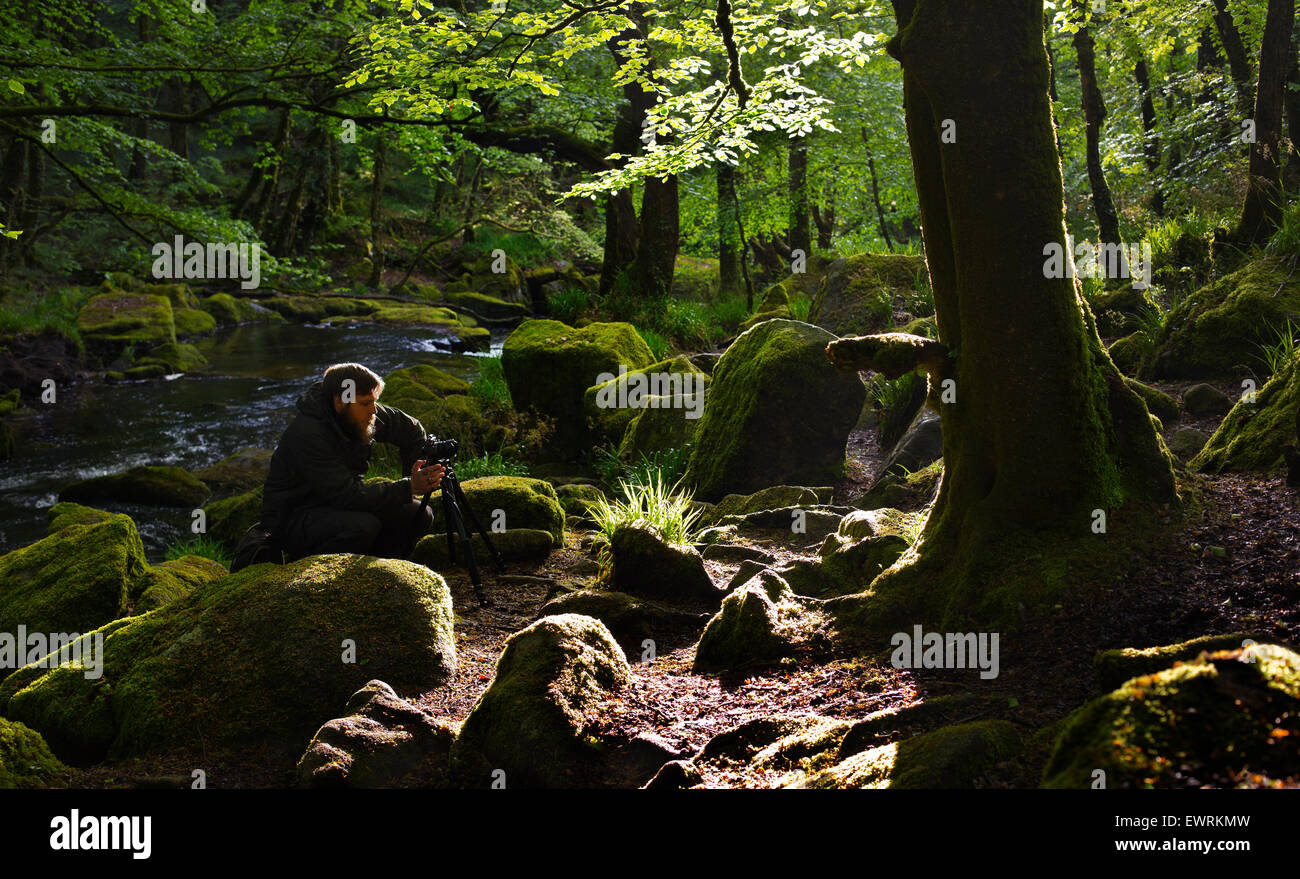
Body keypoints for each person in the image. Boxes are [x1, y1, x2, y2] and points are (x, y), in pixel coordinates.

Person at [260, 362, 445, 562]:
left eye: (374, 401)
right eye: (366, 403)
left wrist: (418, 473)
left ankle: (381, 566)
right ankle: (308, 570)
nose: (374, 411)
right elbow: (347, 496)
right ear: (340, 402)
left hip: (338, 504)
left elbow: (412, 430)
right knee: (364, 526)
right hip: (295, 517)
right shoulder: (308, 434)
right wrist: (408, 487)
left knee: (419, 514)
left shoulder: (358, 411)